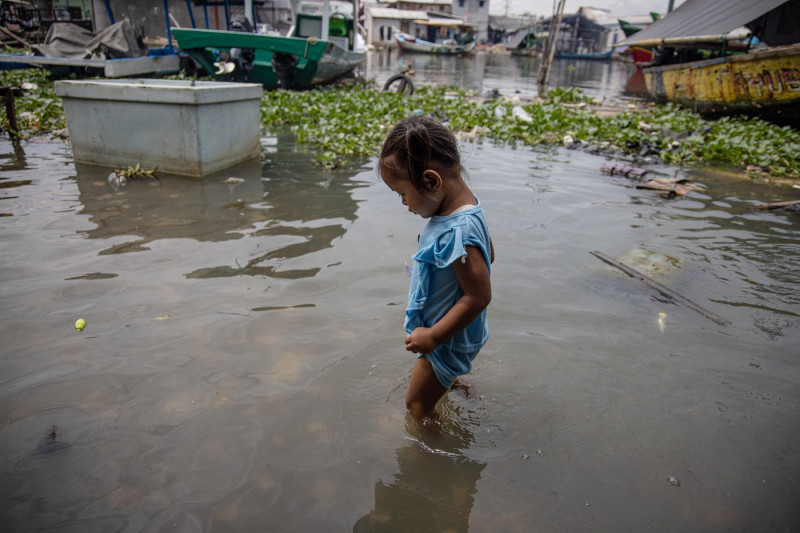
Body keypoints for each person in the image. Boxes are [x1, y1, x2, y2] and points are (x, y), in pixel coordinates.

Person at [379, 115, 494, 422]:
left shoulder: (457, 229)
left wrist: (432, 336)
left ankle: (438, 461)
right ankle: (458, 384)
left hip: (445, 338)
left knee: (416, 406)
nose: (404, 203)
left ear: (431, 181)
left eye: (402, 193)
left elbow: (479, 296)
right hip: (450, 334)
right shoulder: (468, 210)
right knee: (438, 385)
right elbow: (489, 254)